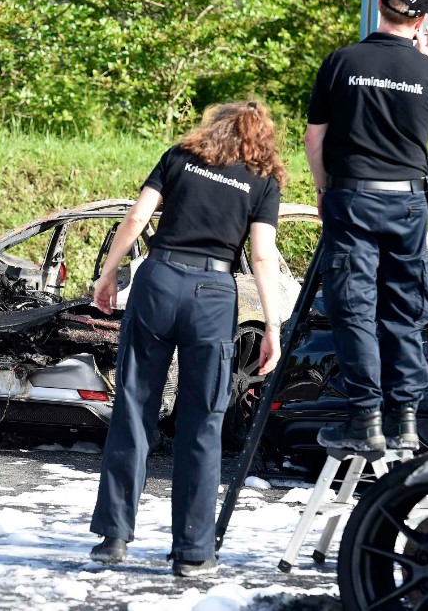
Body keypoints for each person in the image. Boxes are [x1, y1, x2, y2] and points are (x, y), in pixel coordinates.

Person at [88, 101, 286, 576]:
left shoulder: (180, 157)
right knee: (203, 422)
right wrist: (273, 326)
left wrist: (108, 273)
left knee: (135, 405)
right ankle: (193, 552)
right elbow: (262, 257)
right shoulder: (263, 181)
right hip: (213, 295)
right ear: (262, 139)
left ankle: (114, 537)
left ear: (214, 127)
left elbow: (136, 219)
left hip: (158, 280)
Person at [305, 0, 428, 452]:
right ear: (422, 20)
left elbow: (314, 136)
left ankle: (365, 419)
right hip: (407, 202)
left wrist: (322, 188)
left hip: (351, 197)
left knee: (353, 306)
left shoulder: (342, 61)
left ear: (379, 6)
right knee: (405, 308)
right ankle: (406, 419)